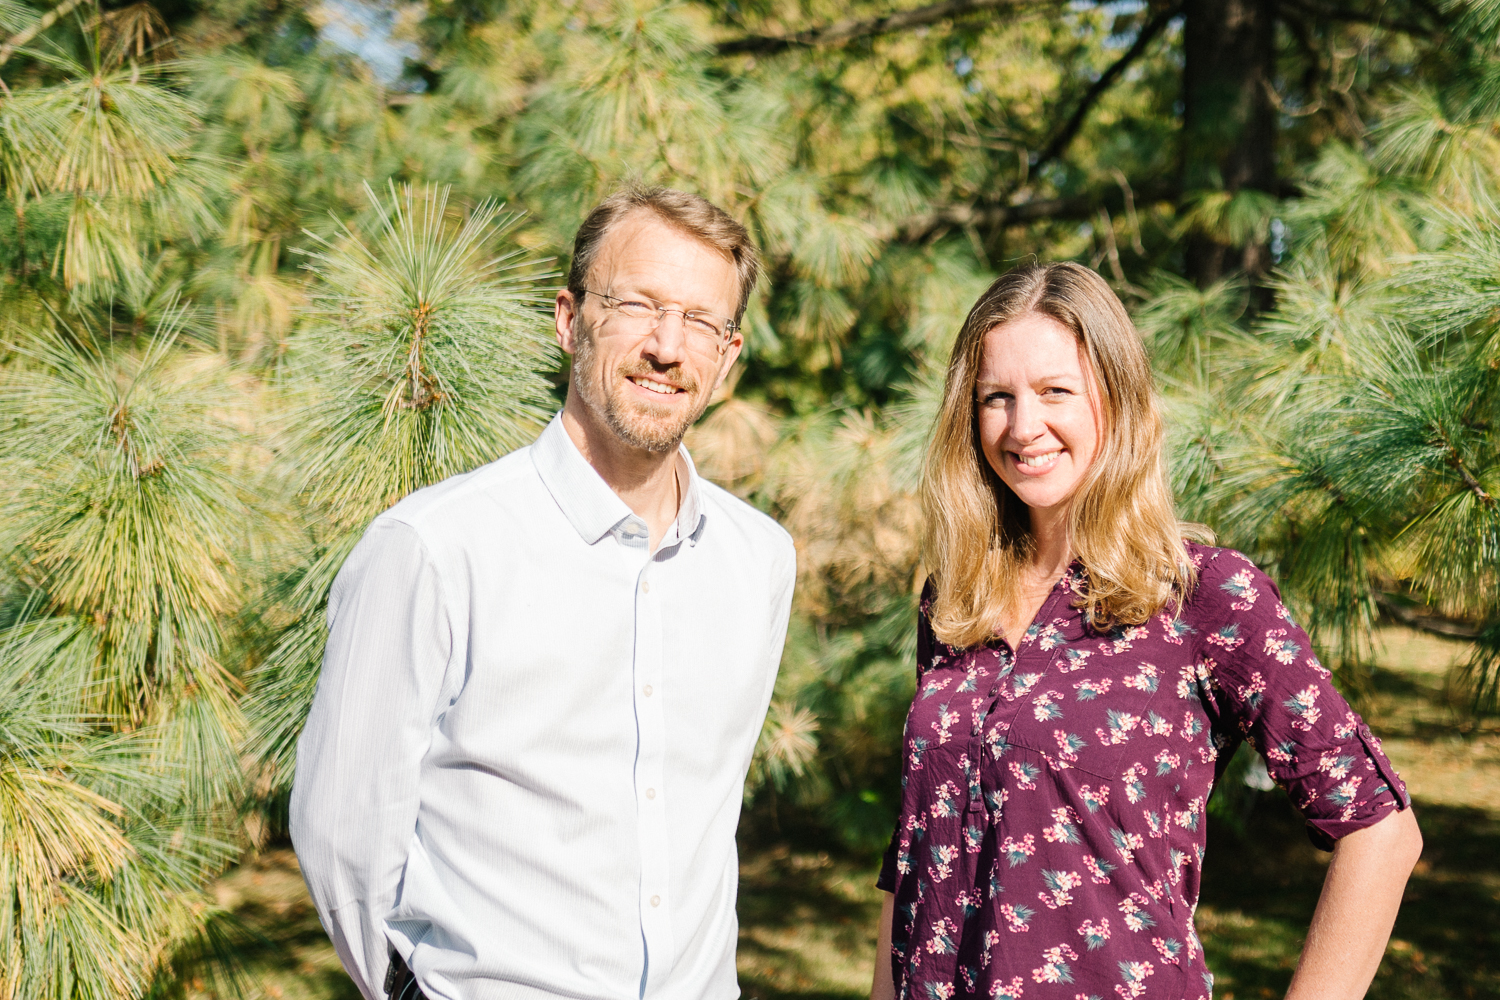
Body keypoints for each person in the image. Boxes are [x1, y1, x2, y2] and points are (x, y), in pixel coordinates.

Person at [291, 187, 796, 1000]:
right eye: (637, 305)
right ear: (569, 320)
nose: (668, 347)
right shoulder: (434, 549)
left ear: (728, 356)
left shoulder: (758, 560)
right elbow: (341, 835)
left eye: (701, 322)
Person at [869, 262, 1422, 1000]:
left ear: (1117, 399)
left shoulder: (1204, 595)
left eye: (1055, 391)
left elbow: (1380, 831)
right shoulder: (955, 598)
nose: (1022, 426)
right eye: (995, 398)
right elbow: (916, 846)